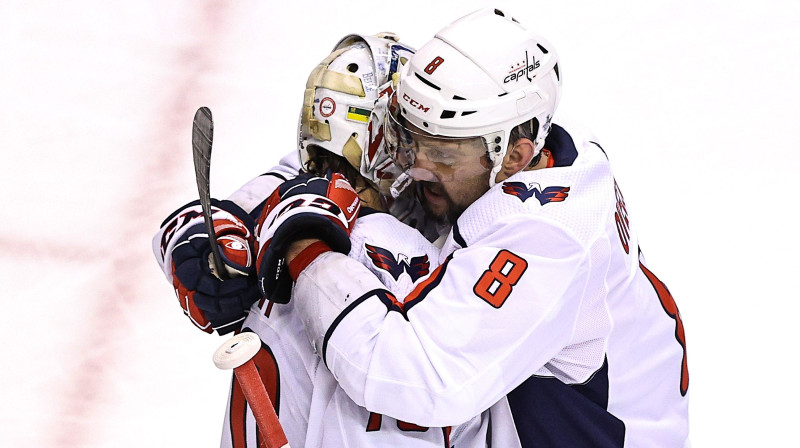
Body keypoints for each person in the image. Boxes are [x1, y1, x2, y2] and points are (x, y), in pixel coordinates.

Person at [261, 7, 691, 447]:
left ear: (515, 156)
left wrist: (306, 248)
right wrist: (240, 213)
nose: (414, 168)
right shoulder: (533, 143)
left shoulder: (546, 239)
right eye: (408, 139)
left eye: (441, 154)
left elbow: (413, 378)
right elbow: (336, 158)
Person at [153, 33, 493, 447]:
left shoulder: (273, 241)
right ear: (389, 144)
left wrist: (199, 239)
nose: (429, 153)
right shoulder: (413, 268)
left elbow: (263, 197)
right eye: (420, 136)